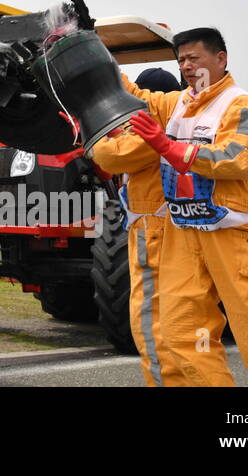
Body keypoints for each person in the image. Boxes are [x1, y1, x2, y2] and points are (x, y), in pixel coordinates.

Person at [96, 27, 248, 387]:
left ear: (221, 59)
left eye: (195, 58)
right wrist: (89, 53)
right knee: (181, 337)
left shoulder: (243, 106)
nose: (188, 67)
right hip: (187, 235)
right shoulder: (173, 104)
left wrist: (170, 148)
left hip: (239, 236)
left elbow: (239, 157)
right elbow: (131, 94)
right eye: (182, 60)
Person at [89, 66, 184, 386]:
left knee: (154, 321)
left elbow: (111, 158)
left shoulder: (159, 129)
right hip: (159, 227)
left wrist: (96, 136)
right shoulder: (183, 120)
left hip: (158, 232)